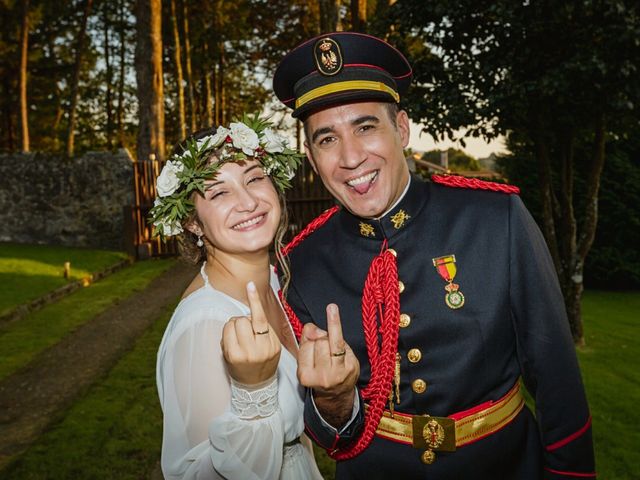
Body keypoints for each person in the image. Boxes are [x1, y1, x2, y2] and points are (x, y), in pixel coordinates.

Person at [272, 32, 596, 479]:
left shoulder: (494, 218)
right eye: (327, 139)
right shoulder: (301, 262)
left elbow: (556, 374)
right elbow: (332, 438)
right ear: (311, 157)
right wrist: (333, 400)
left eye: (366, 127)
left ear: (401, 129)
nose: (350, 157)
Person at [152, 114, 323, 480]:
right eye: (218, 191)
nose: (247, 202)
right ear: (192, 222)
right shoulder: (204, 324)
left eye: (255, 178)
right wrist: (253, 391)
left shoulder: (275, 283)